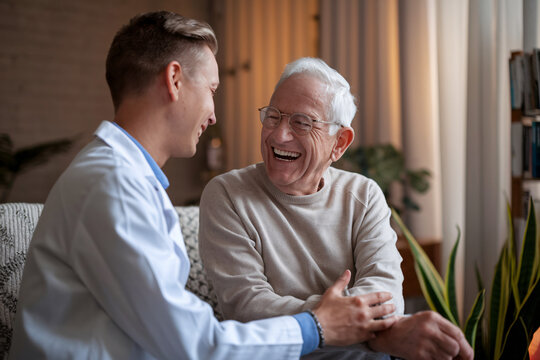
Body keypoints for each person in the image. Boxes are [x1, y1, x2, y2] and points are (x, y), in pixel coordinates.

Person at [8, 12, 401, 360]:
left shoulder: (123, 179)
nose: (214, 115)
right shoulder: (112, 187)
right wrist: (318, 326)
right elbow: (195, 344)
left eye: (301, 122)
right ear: (175, 80)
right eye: (212, 91)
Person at [199, 57, 474, 360]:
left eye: (301, 123)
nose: (279, 135)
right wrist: (374, 338)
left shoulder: (363, 195)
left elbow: (386, 294)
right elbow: (248, 309)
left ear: (339, 143)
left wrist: (340, 326)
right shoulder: (227, 195)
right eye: (273, 116)